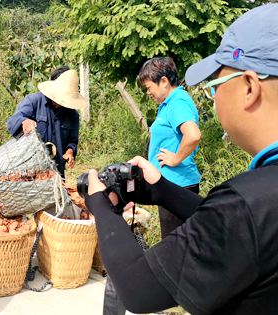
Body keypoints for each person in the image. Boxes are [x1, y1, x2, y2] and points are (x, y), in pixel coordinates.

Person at [85, 4, 278, 314]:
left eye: (215, 86)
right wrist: (162, 190)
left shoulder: (248, 202)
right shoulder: (252, 207)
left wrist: (100, 207)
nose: (213, 100)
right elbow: (235, 230)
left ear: (250, 87)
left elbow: (138, 289)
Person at [138, 57, 201, 238]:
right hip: (171, 184)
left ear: (164, 81)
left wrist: (175, 158)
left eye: (149, 87)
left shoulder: (177, 102)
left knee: (176, 245)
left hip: (177, 185)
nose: (148, 92)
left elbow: (193, 135)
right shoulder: (169, 103)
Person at [7, 66, 86, 178]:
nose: (60, 102)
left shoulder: (72, 115)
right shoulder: (34, 101)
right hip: (30, 170)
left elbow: (72, 142)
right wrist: (24, 121)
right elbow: (12, 121)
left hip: (56, 172)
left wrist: (70, 152)